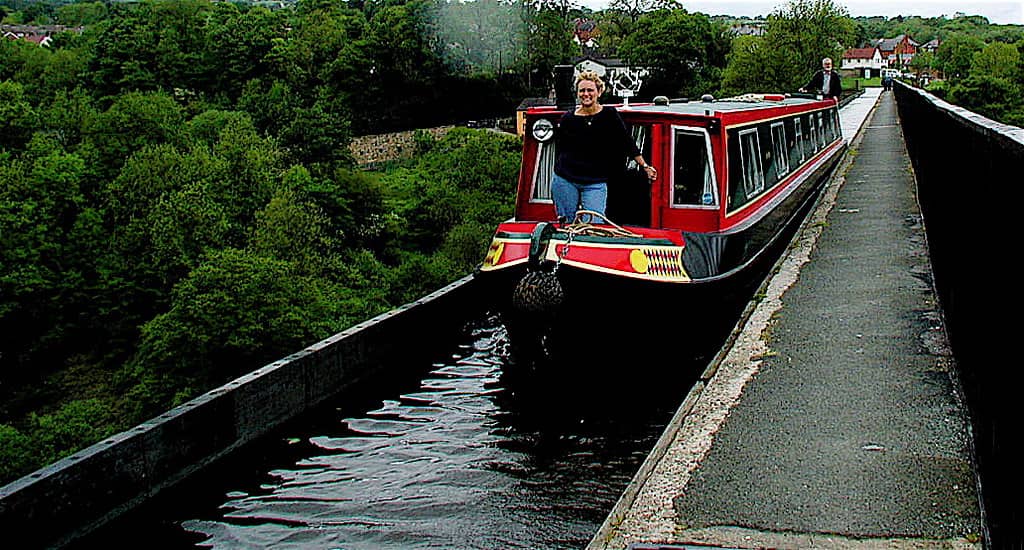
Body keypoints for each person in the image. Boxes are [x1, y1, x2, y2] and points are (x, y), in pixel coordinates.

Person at [552, 70, 657, 222]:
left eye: (590, 90)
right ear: (577, 93)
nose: (586, 94)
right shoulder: (568, 118)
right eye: (582, 90)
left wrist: (645, 166)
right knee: (566, 223)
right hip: (566, 179)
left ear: (599, 92)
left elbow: (626, 142)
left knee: (595, 223)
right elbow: (561, 149)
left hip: (595, 182)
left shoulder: (610, 115)